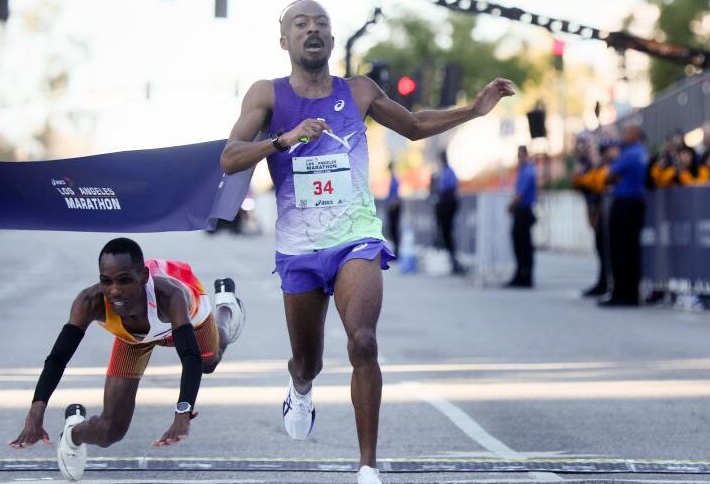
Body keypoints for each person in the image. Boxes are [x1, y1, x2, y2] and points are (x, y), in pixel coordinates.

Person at [218, 1, 514, 482]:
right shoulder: (266, 96)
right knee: (308, 359)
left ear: (332, 41)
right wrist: (283, 139)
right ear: (284, 41)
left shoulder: (358, 91)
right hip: (300, 247)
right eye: (301, 24)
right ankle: (300, 384)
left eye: (322, 25)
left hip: (356, 237)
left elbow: (414, 126)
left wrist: (475, 110)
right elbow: (230, 158)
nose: (312, 31)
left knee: (363, 341)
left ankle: (367, 467)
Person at [9, 237, 245, 481]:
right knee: (112, 431)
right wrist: (36, 412)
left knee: (209, 362)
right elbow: (58, 358)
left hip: (189, 322)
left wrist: (182, 413)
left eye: (124, 280)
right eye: (106, 281)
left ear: (143, 277)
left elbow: (189, 356)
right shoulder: (89, 301)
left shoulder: (170, 295)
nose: (114, 291)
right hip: (133, 339)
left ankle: (227, 308)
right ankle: (72, 434)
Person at [599, 124, 648, 307]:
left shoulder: (629, 154)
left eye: (626, 132)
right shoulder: (641, 152)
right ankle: (632, 294)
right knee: (632, 251)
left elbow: (609, 175)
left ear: (634, 134)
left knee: (620, 250)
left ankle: (621, 293)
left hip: (625, 204)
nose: (623, 135)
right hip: (637, 204)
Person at [573, 139, 618, 297]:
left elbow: (598, 186)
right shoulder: (588, 167)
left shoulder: (605, 167)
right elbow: (581, 185)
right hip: (594, 207)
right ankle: (603, 281)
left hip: (604, 208)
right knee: (600, 247)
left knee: (606, 247)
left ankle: (608, 282)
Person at [505, 145, 537, 288]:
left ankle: (524, 275)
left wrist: (510, 206)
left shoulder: (527, 171)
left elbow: (520, 194)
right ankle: (521, 273)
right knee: (521, 243)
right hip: (522, 210)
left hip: (524, 211)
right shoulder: (523, 170)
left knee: (523, 244)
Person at [435, 151, 464, 274]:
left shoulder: (449, 172)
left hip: (447, 203)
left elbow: (451, 189)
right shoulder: (442, 172)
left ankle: (453, 261)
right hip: (443, 203)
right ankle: (450, 260)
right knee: (444, 233)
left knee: (448, 232)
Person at [385, 161, 402, 256]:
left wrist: (392, 205)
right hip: (393, 207)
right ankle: (396, 250)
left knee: (394, 229)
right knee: (393, 229)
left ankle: (397, 251)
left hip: (394, 207)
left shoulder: (394, 179)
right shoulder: (393, 179)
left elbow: (395, 195)